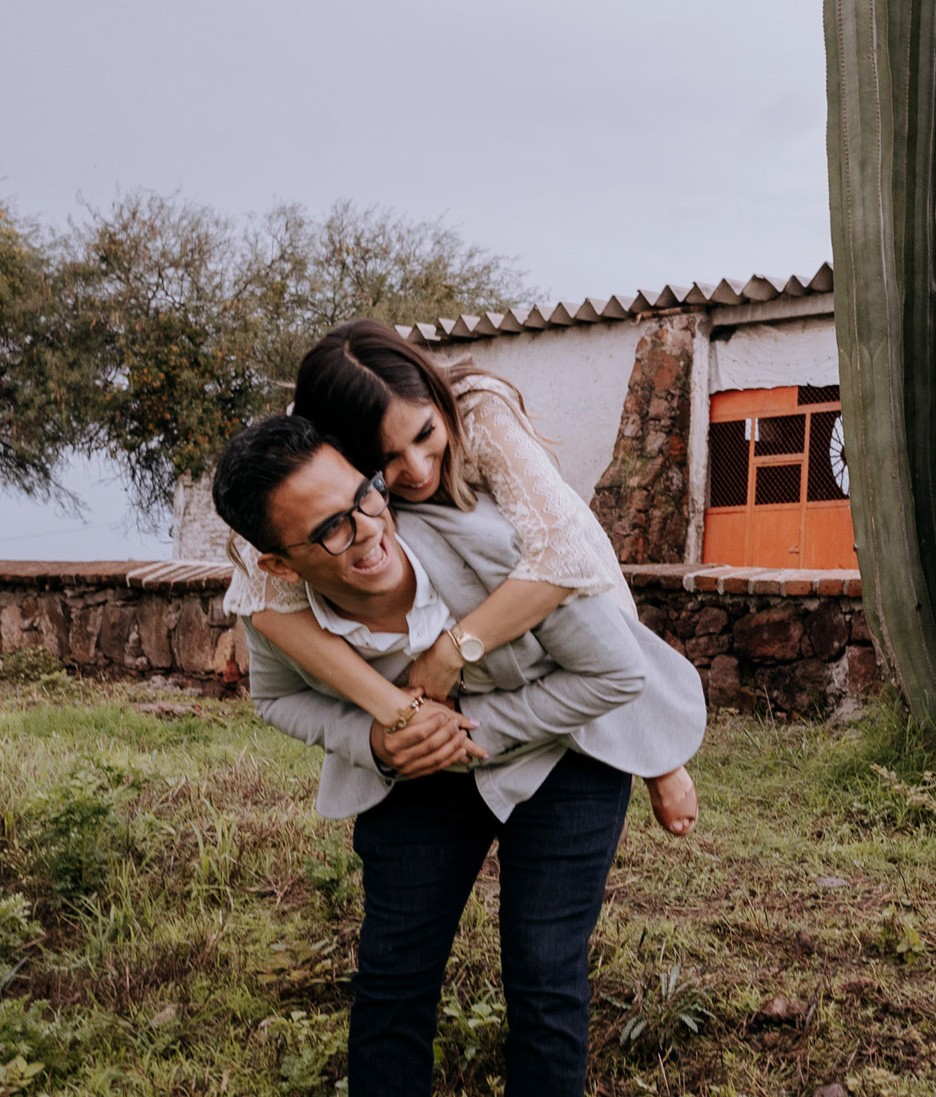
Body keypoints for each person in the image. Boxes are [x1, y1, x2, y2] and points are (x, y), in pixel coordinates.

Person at [213, 415, 705, 1093]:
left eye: (365, 496)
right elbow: (275, 698)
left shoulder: (496, 544)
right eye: (330, 530)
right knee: (392, 975)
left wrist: (468, 730)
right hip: (413, 777)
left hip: (563, 751)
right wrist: (374, 740)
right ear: (278, 565)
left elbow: (616, 668)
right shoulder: (276, 609)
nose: (367, 530)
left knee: (545, 970)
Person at [223, 319, 698, 835]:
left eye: (425, 434)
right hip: (424, 590)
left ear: (436, 400)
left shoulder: (478, 411)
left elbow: (567, 557)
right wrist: (394, 709)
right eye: (386, 458)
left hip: (553, 563)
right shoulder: (313, 452)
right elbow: (258, 598)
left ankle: (658, 757)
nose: (417, 469)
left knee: (599, 632)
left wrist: (453, 651)